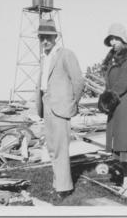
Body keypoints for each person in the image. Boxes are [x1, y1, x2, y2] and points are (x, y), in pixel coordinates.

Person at [35, 19, 85, 200]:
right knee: (52, 148)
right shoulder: (44, 58)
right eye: (42, 38)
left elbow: (79, 81)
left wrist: (72, 104)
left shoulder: (66, 54)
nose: (45, 41)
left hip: (61, 108)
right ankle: (58, 184)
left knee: (61, 149)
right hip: (47, 106)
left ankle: (64, 189)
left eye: (48, 37)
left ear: (55, 37)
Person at [99, 23, 127, 197]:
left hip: (125, 108)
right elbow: (111, 85)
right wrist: (108, 101)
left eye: (115, 38)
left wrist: (105, 100)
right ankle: (126, 182)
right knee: (121, 148)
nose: (112, 42)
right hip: (116, 108)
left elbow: (122, 85)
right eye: (110, 39)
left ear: (123, 39)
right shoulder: (113, 60)